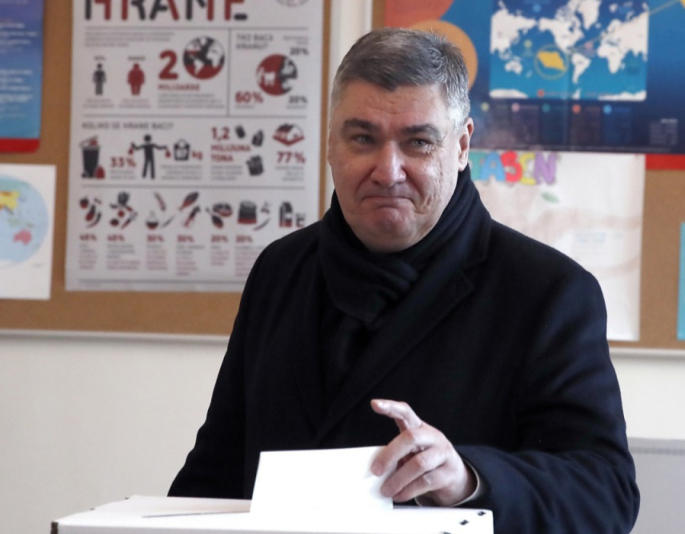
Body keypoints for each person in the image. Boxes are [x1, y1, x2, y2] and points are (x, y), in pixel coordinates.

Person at [169, 27, 639, 533]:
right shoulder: (281, 269)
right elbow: (215, 470)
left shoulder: (547, 291)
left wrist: (468, 480)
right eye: (363, 139)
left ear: (461, 147)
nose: (388, 171)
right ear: (330, 144)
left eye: (418, 143)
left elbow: (605, 493)